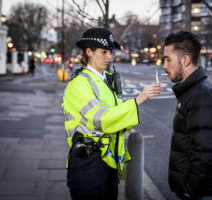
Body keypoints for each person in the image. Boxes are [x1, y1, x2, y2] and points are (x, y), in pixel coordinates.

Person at [62, 27, 162, 200]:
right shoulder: (79, 83)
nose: (109, 56)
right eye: (104, 51)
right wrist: (139, 99)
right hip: (88, 164)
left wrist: (131, 110)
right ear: (89, 52)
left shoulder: (106, 80)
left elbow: (117, 119)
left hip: (107, 162)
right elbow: (102, 119)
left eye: (110, 51)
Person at [162, 31, 212, 200]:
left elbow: (205, 154)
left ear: (185, 60)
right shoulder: (193, 91)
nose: (164, 65)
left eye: (168, 59)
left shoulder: (201, 95)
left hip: (199, 194)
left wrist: (188, 191)